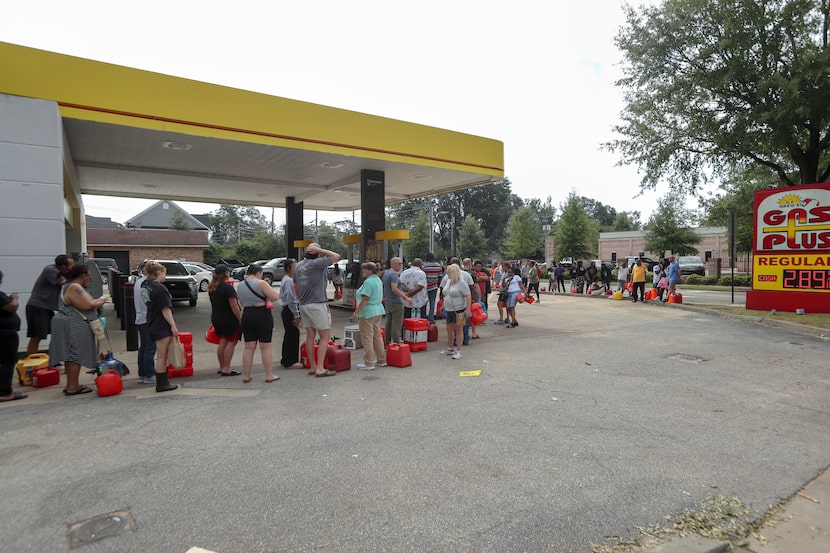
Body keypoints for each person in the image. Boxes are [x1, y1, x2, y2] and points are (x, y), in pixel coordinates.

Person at [49, 264, 106, 395]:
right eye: (88, 277)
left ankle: (71, 385)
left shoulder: (67, 286)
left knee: (70, 356)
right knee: (75, 355)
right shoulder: (75, 287)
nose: (88, 280)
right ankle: (73, 387)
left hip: (67, 323)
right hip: (72, 324)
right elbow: (88, 305)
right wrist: (101, 300)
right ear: (83, 276)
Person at [294, 243, 340, 377]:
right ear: (316, 253)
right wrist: (320, 249)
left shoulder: (298, 266)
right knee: (325, 335)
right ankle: (320, 368)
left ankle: (313, 366)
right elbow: (336, 256)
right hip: (317, 304)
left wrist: (301, 298)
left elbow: (295, 286)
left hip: (303, 304)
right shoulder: (317, 263)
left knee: (310, 335)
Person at [237, 264, 280, 383]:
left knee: (248, 347)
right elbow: (275, 297)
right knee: (265, 346)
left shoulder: (240, 285)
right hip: (262, 314)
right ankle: (269, 375)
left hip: (247, 314)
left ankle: (246, 375)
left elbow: (241, 301)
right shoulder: (261, 283)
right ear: (258, 273)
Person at [143, 262, 180, 392]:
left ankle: (163, 381)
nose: (165, 276)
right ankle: (162, 383)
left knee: (160, 354)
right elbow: (165, 309)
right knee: (162, 356)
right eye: (164, 273)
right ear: (158, 273)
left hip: (152, 321)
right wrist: (173, 325)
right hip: (161, 324)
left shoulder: (146, 286)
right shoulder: (160, 288)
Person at [25, 254, 72, 355]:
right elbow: (65, 284)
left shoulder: (60, 271)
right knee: (36, 337)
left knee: (56, 334)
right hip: (38, 307)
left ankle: (52, 362)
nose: (72, 268)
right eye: (70, 265)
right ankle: (32, 365)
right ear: (62, 266)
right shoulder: (50, 270)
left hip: (47, 309)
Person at [350, 262, 387, 370]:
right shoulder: (378, 280)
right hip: (378, 310)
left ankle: (368, 362)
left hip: (367, 312)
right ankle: (381, 359)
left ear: (370, 270)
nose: (362, 271)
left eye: (364, 269)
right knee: (377, 336)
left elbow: (365, 299)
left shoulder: (368, 282)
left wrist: (356, 313)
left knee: (366, 337)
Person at [208, 264, 242, 377]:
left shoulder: (212, 287)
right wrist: (240, 318)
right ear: (225, 273)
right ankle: (227, 368)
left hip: (216, 317)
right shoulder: (228, 288)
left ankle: (221, 366)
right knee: (231, 342)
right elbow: (234, 305)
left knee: (222, 341)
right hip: (229, 319)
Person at [0, 270, 26, 402]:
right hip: (5, 334)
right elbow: (12, 307)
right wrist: (14, 298)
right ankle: (5, 393)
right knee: (7, 362)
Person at [439, 264, 471, 360]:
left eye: (449, 272)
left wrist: (468, 309)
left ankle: (458, 351)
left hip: (459, 309)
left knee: (459, 329)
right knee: (449, 329)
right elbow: (446, 294)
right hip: (449, 309)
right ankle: (450, 348)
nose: (447, 274)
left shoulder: (461, 283)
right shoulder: (448, 282)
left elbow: (468, 295)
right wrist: (443, 305)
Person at [133, 262, 157, 384]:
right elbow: (150, 302)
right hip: (148, 318)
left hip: (140, 318)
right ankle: (150, 374)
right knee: (150, 347)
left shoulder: (139, 282)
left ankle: (142, 373)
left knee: (143, 347)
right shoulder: (147, 284)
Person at [382, 257, 413, 344]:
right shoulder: (393, 275)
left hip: (388, 301)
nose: (400, 266)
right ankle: (396, 341)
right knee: (397, 322)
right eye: (399, 264)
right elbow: (394, 288)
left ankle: (387, 341)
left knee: (388, 321)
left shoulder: (386, 273)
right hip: (396, 301)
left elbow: (385, 286)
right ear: (393, 264)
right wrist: (405, 297)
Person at [278, 259, 302, 369]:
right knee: (293, 335)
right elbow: (291, 299)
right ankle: (291, 361)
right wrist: (296, 315)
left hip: (288, 310)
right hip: (290, 310)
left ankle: (286, 359)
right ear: (288, 269)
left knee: (289, 334)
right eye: (294, 267)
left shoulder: (287, 279)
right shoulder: (288, 281)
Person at [422, 253, 444, 323]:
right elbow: (440, 276)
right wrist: (438, 285)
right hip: (434, 286)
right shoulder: (438, 266)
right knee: (432, 302)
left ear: (427, 258)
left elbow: (422, 276)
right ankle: (431, 318)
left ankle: (424, 317)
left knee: (424, 302)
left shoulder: (424, 266)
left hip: (425, 287)